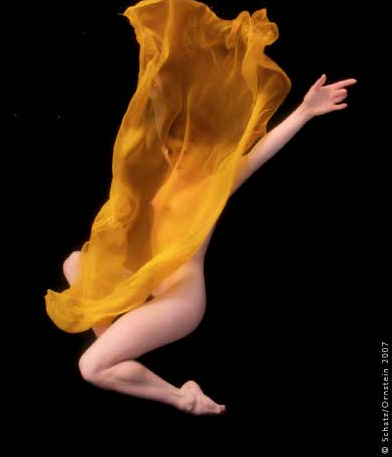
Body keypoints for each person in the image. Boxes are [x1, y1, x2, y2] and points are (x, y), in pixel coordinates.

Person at [61, 71, 357, 416]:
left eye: (184, 145)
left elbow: (260, 153)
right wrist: (159, 88)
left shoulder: (213, 183)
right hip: (149, 290)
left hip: (181, 302)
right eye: (173, 145)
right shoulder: (158, 181)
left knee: (91, 367)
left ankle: (184, 398)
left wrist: (304, 111)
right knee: (75, 262)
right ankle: (114, 346)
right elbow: (158, 125)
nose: (174, 151)